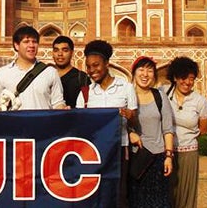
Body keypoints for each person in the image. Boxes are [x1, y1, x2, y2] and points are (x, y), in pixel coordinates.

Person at [75, 39, 136, 208]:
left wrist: (129, 114)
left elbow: (134, 118)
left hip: (119, 147)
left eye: (96, 65)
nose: (92, 70)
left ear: (107, 64)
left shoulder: (125, 87)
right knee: (95, 191)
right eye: (88, 66)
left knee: (119, 193)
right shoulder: (86, 94)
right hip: (94, 151)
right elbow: (80, 122)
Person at [162, 56, 207, 208]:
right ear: (175, 77)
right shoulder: (163, 94)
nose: (187, 82)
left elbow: (203, 129)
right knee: (166, 192)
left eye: (191, 79)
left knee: (186, 194)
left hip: (188, 152)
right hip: (164, 151)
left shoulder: (199, 101)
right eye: (183, 78)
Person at [129, 56, 174, 208]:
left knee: (159, 202)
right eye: (141, 70)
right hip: (136, 159)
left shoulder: (159, 96)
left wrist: (168, 156)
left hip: (157, 158)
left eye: (149, 70)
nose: (145, 74)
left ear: (154, 75)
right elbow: (118, 123)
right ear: (134, 73)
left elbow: (167, 129)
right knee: (136, 202)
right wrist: (129, 133)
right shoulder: (127, 96)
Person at [0, 25, 67, 110]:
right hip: (14, 123)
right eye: (26, 42)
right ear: (16, 45)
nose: (31, 45)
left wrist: (63, 109)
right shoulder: (1, 74)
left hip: (43, 122)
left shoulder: (50, 72)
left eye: (34, 42)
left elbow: (57, 102)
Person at [52, 35, 90, 108]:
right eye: (56, 50)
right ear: (52, 53)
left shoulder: (82, 78)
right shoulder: (46, 75)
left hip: (75, 118)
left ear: (72, 53)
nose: (60, 54)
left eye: (65, 50)